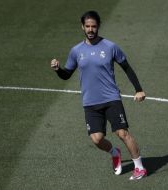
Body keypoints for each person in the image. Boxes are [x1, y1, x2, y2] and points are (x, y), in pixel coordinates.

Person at [50, 10, 147, 180]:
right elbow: (67, 75)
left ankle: (139, 167)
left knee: (122, 133)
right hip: (90, 102)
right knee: (96, 139)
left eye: (93, 26)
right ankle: (114, 152)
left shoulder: (110, 47)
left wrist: (138, 89)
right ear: (82, 27)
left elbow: (126, 67)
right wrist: (58, 69)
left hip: (111, 98)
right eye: (87, 26)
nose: (90, 29)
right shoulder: (76, 51)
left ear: (98, 27)